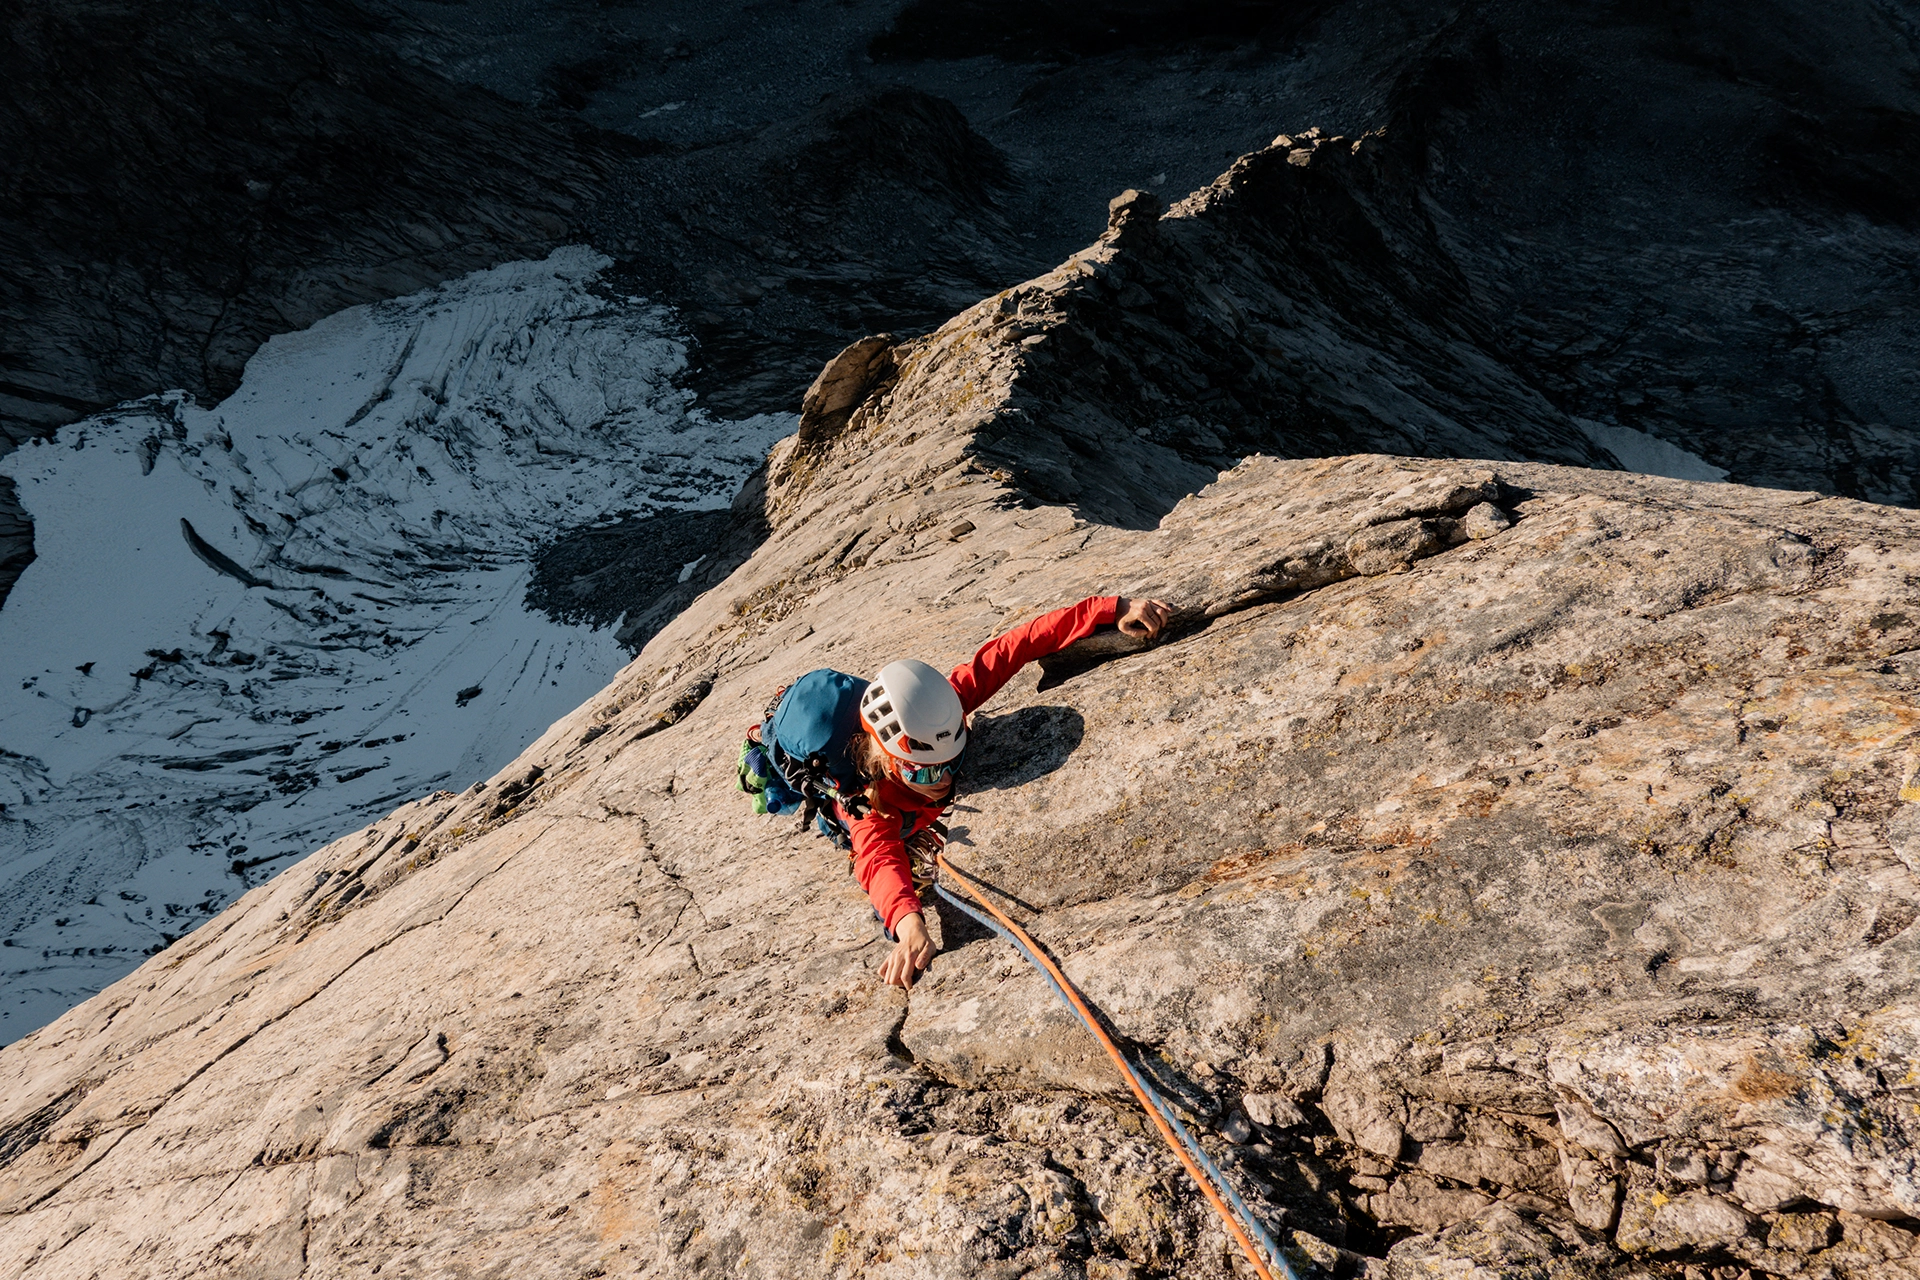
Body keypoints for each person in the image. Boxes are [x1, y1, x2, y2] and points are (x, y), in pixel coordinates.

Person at [836, 594, 1171, 988]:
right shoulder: (866, 803)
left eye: (952, 762)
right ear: (888, 761)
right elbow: (878, 860)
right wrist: (910, 926)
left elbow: (1018, 644)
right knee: (893, 854)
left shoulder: (946, 708)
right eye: (925, 773)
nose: (943, 780)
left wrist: (1111, 608)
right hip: (890, 821)